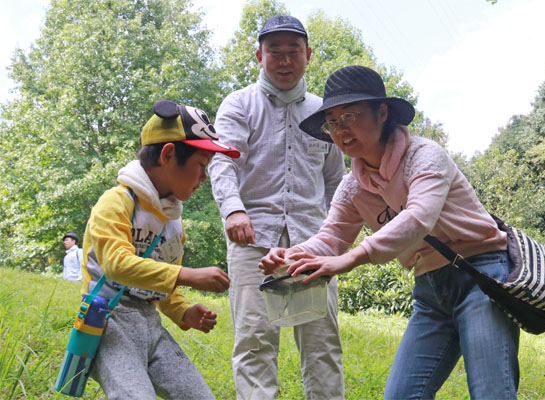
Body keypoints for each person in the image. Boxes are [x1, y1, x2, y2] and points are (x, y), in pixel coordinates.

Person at [259, 65, 520, 399]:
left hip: (480, 276)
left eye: (349, 116)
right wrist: (293, 255)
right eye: (333, 122)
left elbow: (418, 218)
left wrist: (354, 258)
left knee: (491, 392)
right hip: (430, 290)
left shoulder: (425, 157)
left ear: (382, 112)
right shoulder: (352, 186)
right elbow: (332, 237)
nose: (340, 130)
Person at [208, 15, 346, 400]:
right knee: (254, 343)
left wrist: (337, 238)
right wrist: (233, 209)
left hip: (313, 245)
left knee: (323, 345)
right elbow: (223, 162)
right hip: (252, 240)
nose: (284, 61)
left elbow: (336, 183)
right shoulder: (238, 105)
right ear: (259, 55)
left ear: (308, 55)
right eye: (275, 52)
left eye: (293, 52)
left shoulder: (326, 114)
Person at [80, 100, 240, 399]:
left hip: (150, 326)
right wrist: (188, 274)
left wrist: (184, 311)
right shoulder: (117, 202)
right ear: (168, 154)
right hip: (108, 323)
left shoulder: (173, 222)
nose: (203, 179)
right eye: (201, 167)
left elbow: (164, 288)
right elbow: (116, 264)